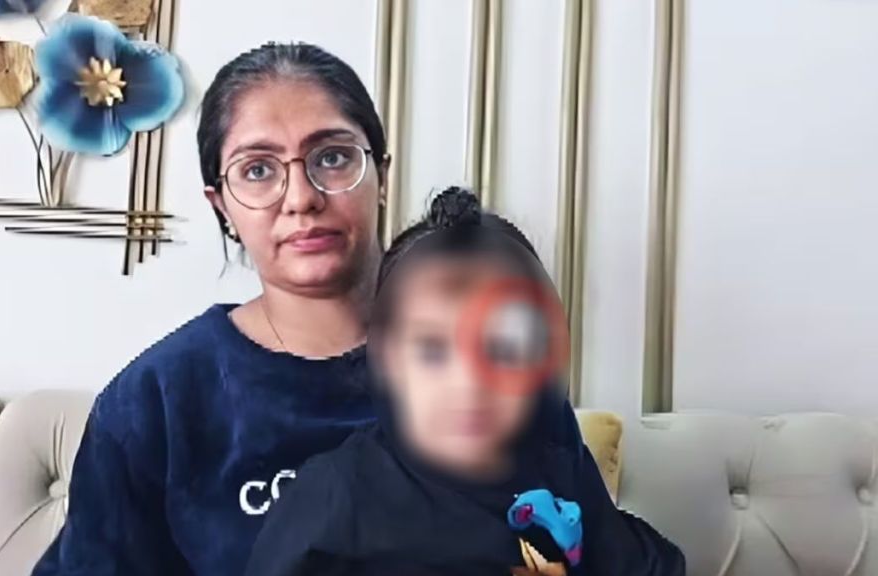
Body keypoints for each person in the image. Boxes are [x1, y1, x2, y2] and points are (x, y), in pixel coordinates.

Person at [32, 43, 585, 576]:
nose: (301, 198)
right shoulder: (157, 401)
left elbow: (584, 546)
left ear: (382, 175)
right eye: (257, 170)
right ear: (222, 207)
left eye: (333, 158)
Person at [244, 188, 685, 576]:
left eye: (504, 347)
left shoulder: (556, 467)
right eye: (433, 350)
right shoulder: (336, 494)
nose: (470, 381)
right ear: (388, 360)